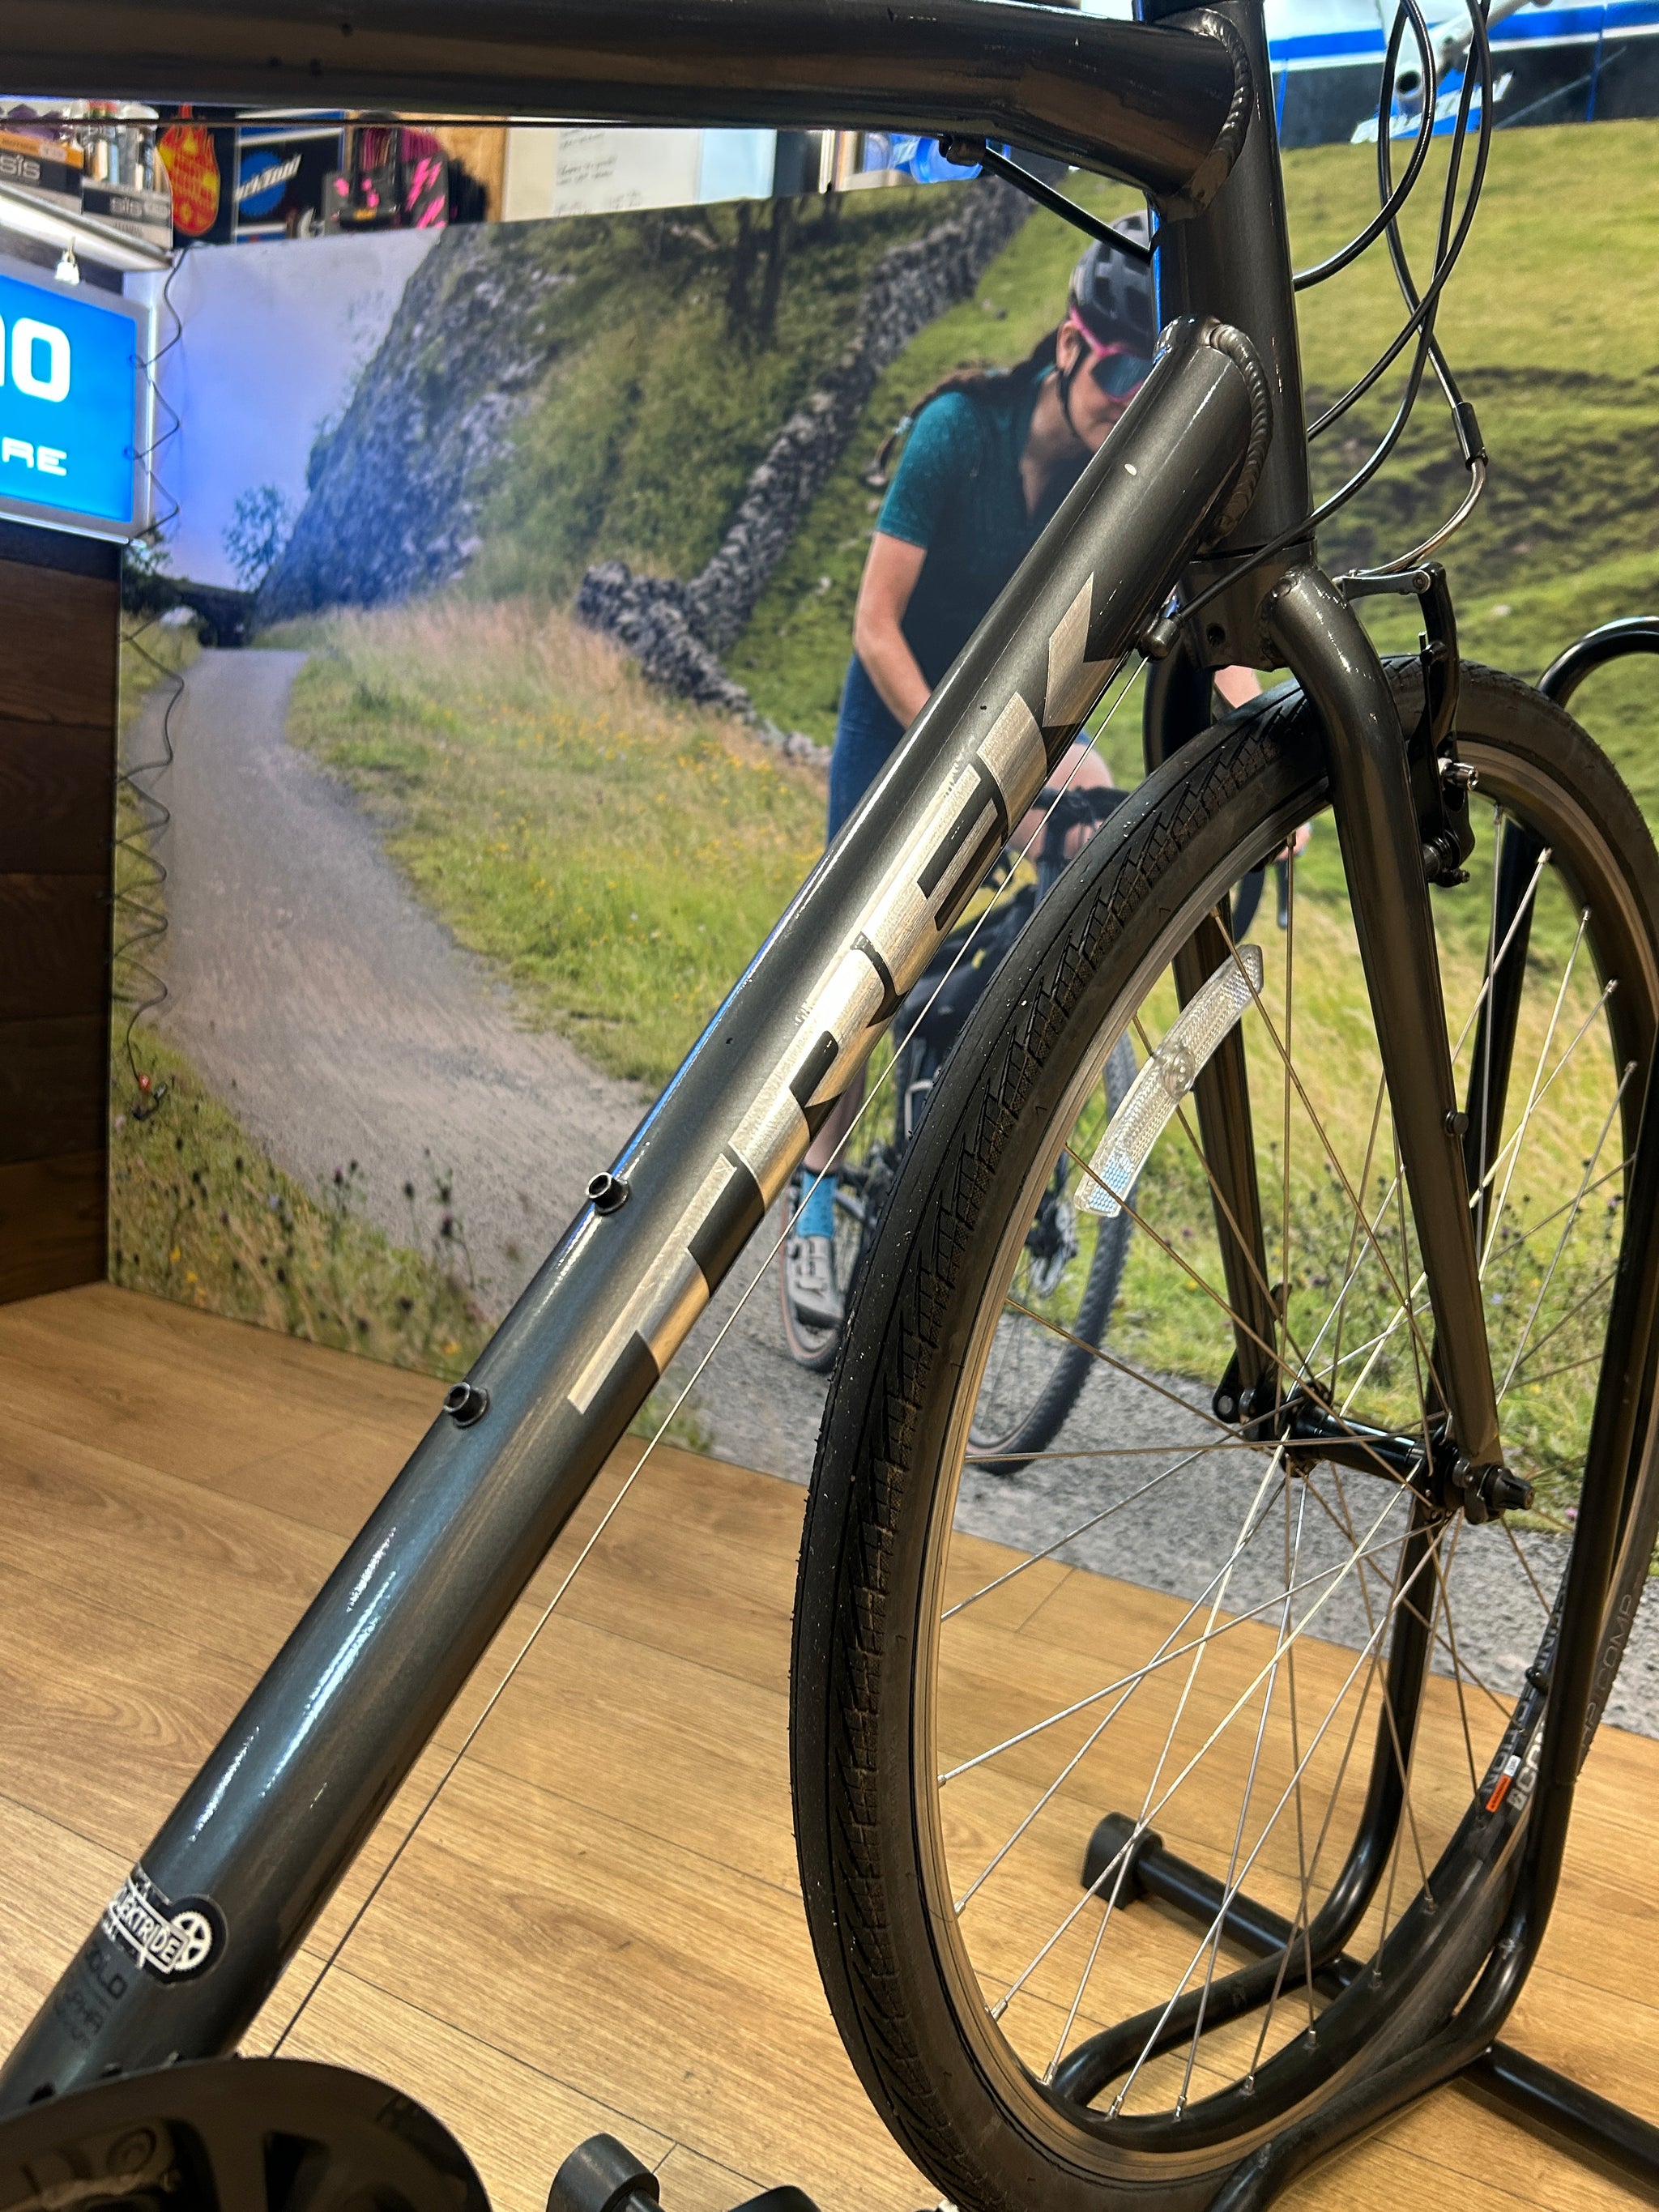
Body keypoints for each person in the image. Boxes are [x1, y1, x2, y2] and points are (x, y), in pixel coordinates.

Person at [783, 220, 1281, 1336]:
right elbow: (874, 627)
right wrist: (963, 761)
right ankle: (812, 1200)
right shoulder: (957, 434)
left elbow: (1197, 616)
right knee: (862, 979)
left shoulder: (1114, 478)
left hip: (1016, 724)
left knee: (1082, 849)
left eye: (1147, 384)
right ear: (1068, 346)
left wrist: (1271, 731)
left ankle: (996, 1100)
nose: (1126, 400)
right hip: (902, 717)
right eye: (1116, 370)